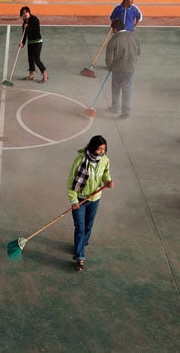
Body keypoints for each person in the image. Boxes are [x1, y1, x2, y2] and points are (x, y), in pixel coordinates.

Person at [67, 135, 114, 271]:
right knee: (80, 228)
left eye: (104, 149)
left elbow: (106, 173)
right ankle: (79, 257)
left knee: (88, 226)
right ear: (92, 147)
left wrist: (108, 181)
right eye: (99, 149)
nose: (101, 152)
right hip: (80, 200)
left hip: (95, 199)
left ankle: (81, 244)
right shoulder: (80, 160)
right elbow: (71, 182)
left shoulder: (104, 160)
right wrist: (74, 200)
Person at [105, 18, 141, 119]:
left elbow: (108, 59)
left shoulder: (113, 40)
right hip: (130, 69)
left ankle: (115, 108)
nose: (112, 32)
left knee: (116, 89)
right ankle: (125, 112)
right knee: (127, 90)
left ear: (115, 29)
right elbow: (138, 52)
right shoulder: (134, 37)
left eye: (112, 30)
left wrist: (109, 68)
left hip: (118, 70)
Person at [19, 6, 48, 83]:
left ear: (29, 12)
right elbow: (24, 35)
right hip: (30, 42)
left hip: (37, 42)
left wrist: (27, 28)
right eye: (23, 13)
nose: (25, 14)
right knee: (30, 59)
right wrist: (22, 43)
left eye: (26, 12)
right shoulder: (24, 23)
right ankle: (31, 75)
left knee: (36, 59)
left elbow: (35, 31)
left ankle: (45, 75)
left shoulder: (34, 19)